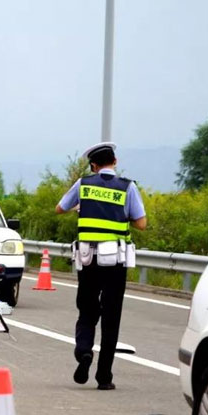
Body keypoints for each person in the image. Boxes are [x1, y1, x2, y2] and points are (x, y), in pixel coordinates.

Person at [55, 142, 147, 390]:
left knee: (86, 310)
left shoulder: (83, 185)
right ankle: (104, 377)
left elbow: (59, 208)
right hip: (115, 261)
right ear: (115, 162)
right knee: (111, 317)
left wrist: (80, 208)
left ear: (93, 166)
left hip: (88, 260)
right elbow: (141, 223)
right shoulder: (128, 187)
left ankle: (84, 352)